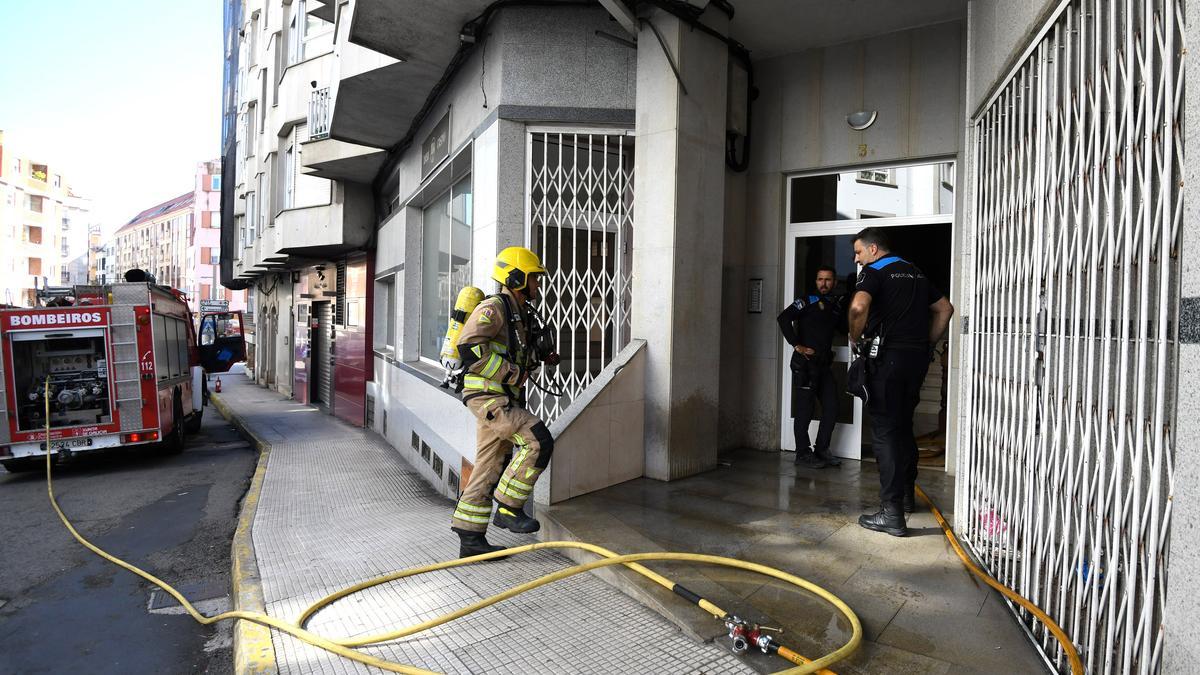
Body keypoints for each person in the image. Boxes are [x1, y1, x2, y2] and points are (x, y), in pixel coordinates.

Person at [449, 247, 556, 558]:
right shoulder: (494, 308)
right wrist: (511, 373)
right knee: (538, 440)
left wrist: (541, 355)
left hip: (501, 395)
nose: (538, 284)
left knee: (489, 464)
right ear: (517, 277)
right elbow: (469, 346)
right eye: (534, 278)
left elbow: (515, 350)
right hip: (487, 397)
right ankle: (508, 508)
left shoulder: (519, 311)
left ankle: (470, 539)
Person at [847, 228, 954, 537]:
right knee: (903, 427)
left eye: (858, 252)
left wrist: (855, 338)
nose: (856, 259)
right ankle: (906, 497)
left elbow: (857, 307)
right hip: (915, 362)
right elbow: (945, 309)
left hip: (887, 362)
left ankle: (891, 513)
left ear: (873, 249)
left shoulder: (873, 271)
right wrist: (927, 343)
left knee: (885, 433)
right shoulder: (914, 272)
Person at [777, 265, 844, 469]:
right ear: (815, 281)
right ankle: (802, 454)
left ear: (835, 282)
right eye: (820, 279)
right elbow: (783, 318)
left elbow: (844, 328)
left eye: (828, 280)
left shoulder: (835, 306)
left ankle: (822, 450)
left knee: (832, 407)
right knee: (804, 411)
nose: (824, 283)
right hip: (805, 366)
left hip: (823, 366)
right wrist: (797, 345)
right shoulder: (806, 301)